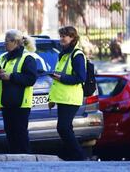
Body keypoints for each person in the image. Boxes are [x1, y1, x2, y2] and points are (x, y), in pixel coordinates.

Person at [0, 29, 38, 154]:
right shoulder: (2, 58)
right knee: (10, 133)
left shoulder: (27, 58)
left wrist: (11, 76)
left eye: (6, 41)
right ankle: (14, 161)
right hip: (6, 102)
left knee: (20, 133)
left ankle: (26, 160)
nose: (4, 44)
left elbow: (31, 79)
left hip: (21, 103)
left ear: (15, 42)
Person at [48, 26, 86, 161]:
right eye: (61, 36)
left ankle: (79, 156)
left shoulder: (77, 55)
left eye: (65, 36)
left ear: (72, 38)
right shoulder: (64, 54)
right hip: (63, 97)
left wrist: (61, 78)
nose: (61, 39)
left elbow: (81, 77)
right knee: (66, 127)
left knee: (63, 127)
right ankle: (70, 156)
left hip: (71, 97)